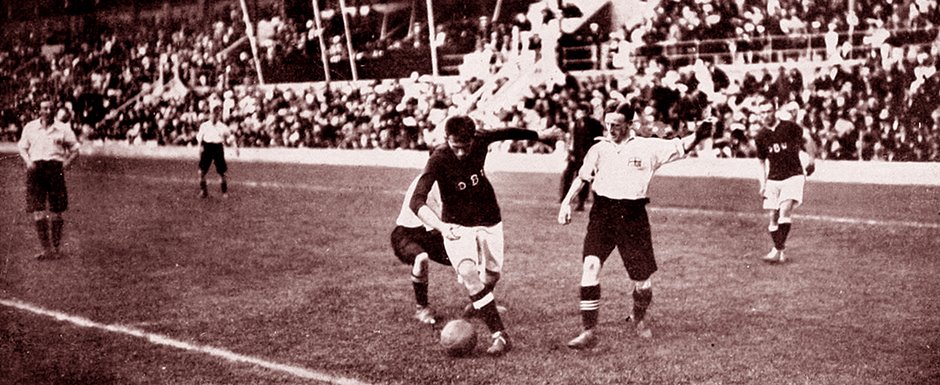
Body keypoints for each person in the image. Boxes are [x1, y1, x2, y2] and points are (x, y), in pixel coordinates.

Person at [557, 101, 713, 349]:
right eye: (608, 124)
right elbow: (583, 176)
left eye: (617, 125)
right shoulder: (599, 148)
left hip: (632, 216)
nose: (611, 129)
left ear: (630, 124)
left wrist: (700, 133)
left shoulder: (647, 146)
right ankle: (588, 331)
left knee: (643, 282)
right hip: (603, 213)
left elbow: (681, 145)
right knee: (590, 266)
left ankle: (639, 318)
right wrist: (566, 202)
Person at [409, 115, 543, 356]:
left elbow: (506, 131)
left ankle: (479, 303)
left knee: (492, 275)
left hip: (489, 217)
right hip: (456, 225)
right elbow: (416, 200)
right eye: (455, 146)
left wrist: (538, 135)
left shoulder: (481, 139)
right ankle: (500, 335)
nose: (460, 153)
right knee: (470, 273)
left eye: (465, 146)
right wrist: (440, 226)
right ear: (446, 139)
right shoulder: (438, 159)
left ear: (473, 138)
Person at [17, 100, 80, 260]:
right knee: (38, 210)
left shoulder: (63, 128)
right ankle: (46, 250)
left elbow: (75, 150)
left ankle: (56, 249)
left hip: (54, 169)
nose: (48, 110)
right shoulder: (30, 127)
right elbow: (22, 147)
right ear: (39, 110)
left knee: (56, 211)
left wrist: (65, 165)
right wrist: (28, 162)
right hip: (36, 170)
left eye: (51, 108)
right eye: (44, 108)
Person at [755, 102, 817, 263]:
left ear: (774, 112)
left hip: (793, 175)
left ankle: (778, 251)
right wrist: (762, 184)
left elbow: (807, 139)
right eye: (763, 113)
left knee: (784, 211)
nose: (766, 115)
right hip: (773, 179)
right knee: (772, 218)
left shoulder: (789, 127)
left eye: (769, 111)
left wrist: (811, 160)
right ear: (759, 116)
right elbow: (761, 162)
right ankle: (779, 250)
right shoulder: (761, 136)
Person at [391, 173, 451, 325]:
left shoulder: (449, 179)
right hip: (407, 234)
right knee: (421, 258)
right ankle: (422, 308)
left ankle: (480, 303)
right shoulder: (429, 182)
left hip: (430, 234)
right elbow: (439, 224)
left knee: (472, 257)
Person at [559, 102, 604, 210]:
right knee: (569, 174)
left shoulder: (594, 124)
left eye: (579, 111)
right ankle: (566, 197)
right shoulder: (578, 123)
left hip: (588, 155)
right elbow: (575, 141)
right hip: (577, 154)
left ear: (584, 112)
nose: (577, 113)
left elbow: (598, 140)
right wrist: (571, 153)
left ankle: (582, 201)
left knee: (586, 177)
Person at [197, 104, 238, 198]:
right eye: (213, 114)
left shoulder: (222, 127)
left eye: (216, 114)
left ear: (218, 115)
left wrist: (235, 148)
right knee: (201, 172)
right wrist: (199, 148)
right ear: (210, 114)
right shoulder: (204, 126)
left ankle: (224, 192)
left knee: (222, 172)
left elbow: (230, 138)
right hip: (207, 148)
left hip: (218, 148)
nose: (214, 116)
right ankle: (204, 191)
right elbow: (200, 138)